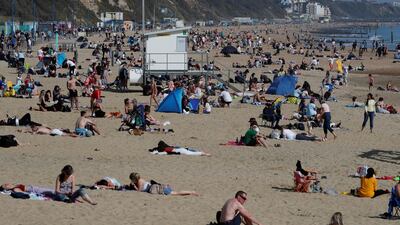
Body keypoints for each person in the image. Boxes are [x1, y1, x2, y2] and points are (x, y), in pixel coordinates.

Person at [126, 172, 199, 196]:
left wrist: (134, 186)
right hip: (159, 187)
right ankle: (191, 192)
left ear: (133, 179)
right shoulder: (141, 179)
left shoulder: (139, 182)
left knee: (177, 193)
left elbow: (139, 190)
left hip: (159, 189)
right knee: (176, 192)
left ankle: (191, 192)